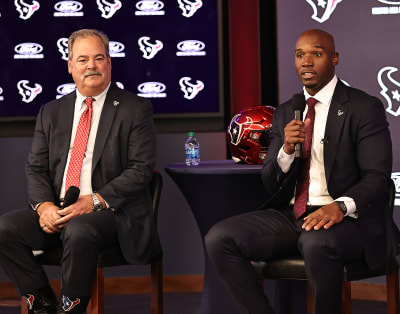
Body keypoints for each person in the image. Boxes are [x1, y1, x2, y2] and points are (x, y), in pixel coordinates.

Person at [205, 29, 398, 314]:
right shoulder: (286, 112)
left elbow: (377, 179)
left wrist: (340, 207)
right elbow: (270, 182)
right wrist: (284, 150)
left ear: (334, 59)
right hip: (295, 214)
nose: (306, 62)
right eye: (299, 55)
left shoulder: (364, 107)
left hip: (351, 220)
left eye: (316, 54)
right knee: (219, 238)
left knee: (316, 242)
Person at [0, 29, 161, 314]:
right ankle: (44, 303)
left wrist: (93, 201)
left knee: (79, 229)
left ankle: (71, 309)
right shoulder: (51, 112)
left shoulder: (135, 109)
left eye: (99, 58)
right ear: (70, 66)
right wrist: (45, 207)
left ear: (109, 63)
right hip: (61, 211)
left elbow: (141, 170)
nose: (91, 65)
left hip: (111, 215)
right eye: (83, 59)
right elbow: (35, 168)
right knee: (4, 229)